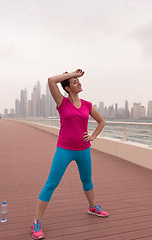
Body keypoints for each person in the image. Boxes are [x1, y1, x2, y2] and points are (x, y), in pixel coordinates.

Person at [31, 69, 107, 239]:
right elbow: (51, 80)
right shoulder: (62, 102)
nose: (79, 83)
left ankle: (92, 207)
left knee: (87, 181)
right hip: (64, 150)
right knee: (51, 184)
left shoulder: (87, 105)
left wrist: (92, 136)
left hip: (83, 150)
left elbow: (102, 121)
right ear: (67, 87)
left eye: (78, 81)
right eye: (74, 82)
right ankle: (36, 221)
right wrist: (72, 73)